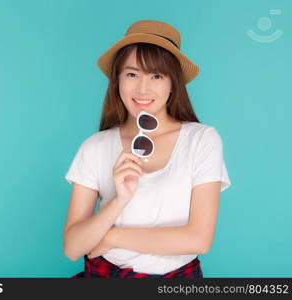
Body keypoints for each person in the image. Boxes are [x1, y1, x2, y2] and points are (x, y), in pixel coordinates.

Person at [63, 20, 231, 278]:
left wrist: (111, 237)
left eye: (156, 75)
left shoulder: (202, 140)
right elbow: (74, 248)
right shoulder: (95, 147)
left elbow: (199, 239)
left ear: (173, 83)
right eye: (132, 74)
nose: (143, 89)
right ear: (117, 80)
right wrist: (119, 200)